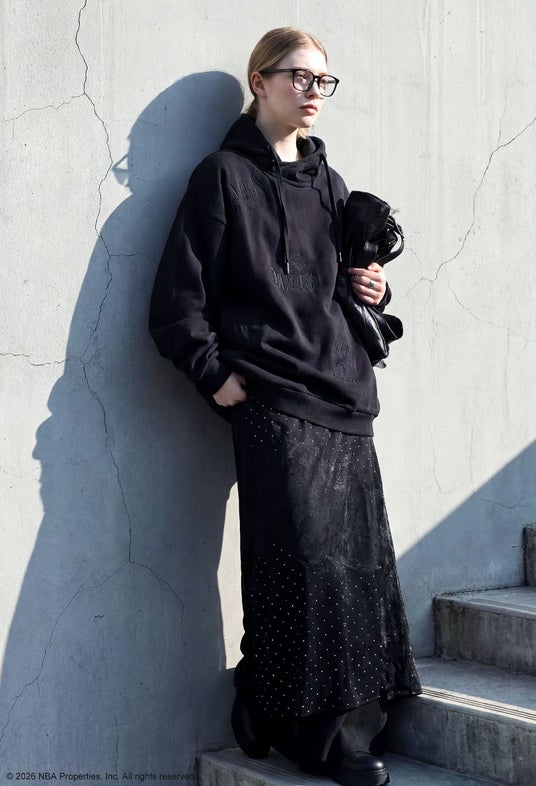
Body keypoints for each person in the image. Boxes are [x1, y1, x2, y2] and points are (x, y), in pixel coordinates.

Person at [149, 27, 421, 786]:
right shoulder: (222, 178)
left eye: (322, 80)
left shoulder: (330, 184)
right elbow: (175, 302)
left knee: (352, 568)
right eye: (298, 76)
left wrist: (375, 288)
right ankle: (322, 739)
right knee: (303, 569)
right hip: (272, 397)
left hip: (345, 396)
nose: (312, 91)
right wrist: (215, 375)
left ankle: (270, 702)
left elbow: (339, 291)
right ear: (259, 82)